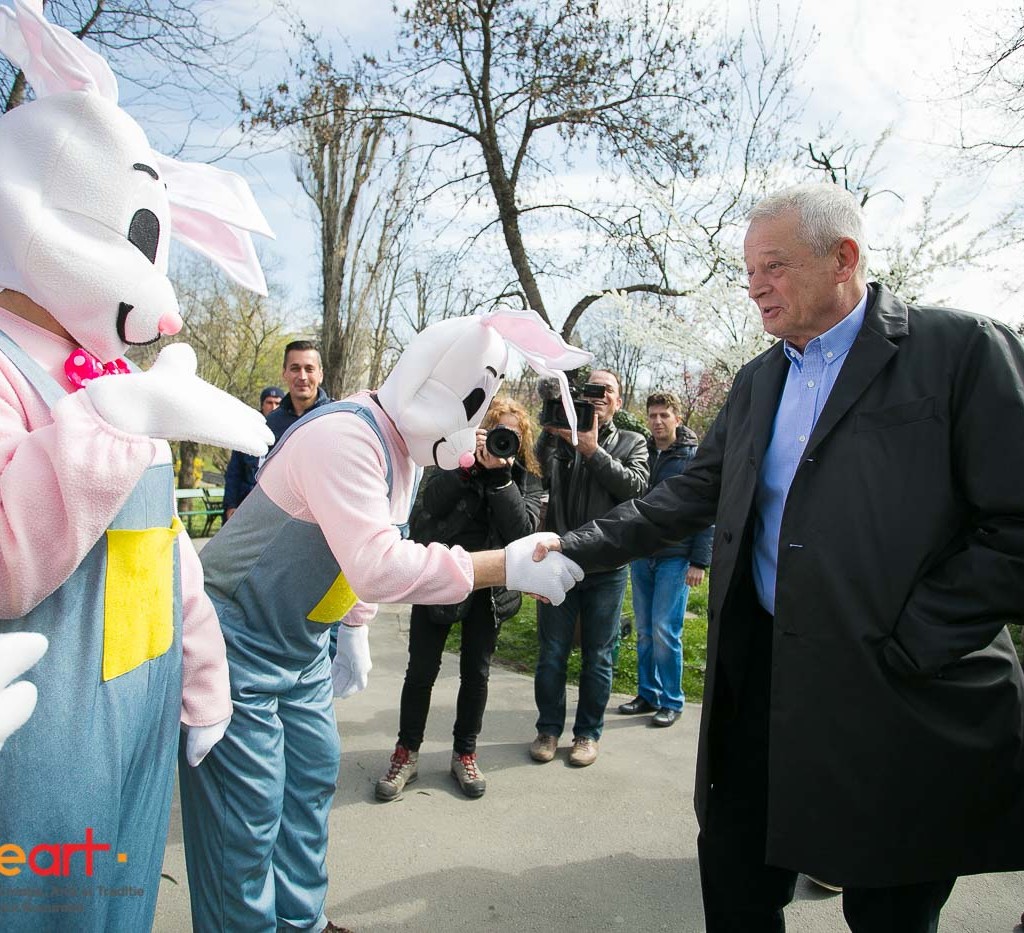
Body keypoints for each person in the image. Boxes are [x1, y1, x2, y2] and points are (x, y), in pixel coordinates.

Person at [528, 182, 1024, 933]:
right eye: (749, 271)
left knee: (890, 909)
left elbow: (1015, 524)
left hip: (898, 692)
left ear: (843, 259)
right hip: (760, 678)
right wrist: (571, 548)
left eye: (775, 266)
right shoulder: (760, 379)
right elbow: (686, 495)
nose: (755, 286)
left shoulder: (961, 352)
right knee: (736, 882)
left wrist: (915, 638)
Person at [176, 308, 588, 933]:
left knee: (311, 782)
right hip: (238, 646)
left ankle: (302, 921)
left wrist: (353, 628)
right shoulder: (346, 437)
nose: (469, 434)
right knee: (246, 813)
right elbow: (376, 564)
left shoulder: (402, 450)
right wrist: (500, 566)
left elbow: (365, 544)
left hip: (302, 646)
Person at [0, 3, 274, 928]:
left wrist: (203, 668)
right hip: (40, 739)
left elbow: (164, 548)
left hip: (140, 716)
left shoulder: (115, 376)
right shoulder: (13, 371)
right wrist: (115, 418)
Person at [376, 397, 543, 801]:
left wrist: (501, 480)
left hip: (489, 588)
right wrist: (465, 466)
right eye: (496, 430)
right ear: (479, 432)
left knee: (476, 674)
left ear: (521, 441)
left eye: (512, 434)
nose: (503, 439)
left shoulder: (525, 477)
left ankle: (465, 754)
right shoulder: (451, 459)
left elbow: (523, 534)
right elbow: (427, 508)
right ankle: (406, 753)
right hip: (438, 577)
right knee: (421, 671)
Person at [530, 368, 648, 767]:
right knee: (552, 653)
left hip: (607, 566)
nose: (598, 396)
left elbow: (635, 489)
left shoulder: (632, 441)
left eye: (606, 390)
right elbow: (536, 470)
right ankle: (548, 730)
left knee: (599, 656)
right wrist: (551, 431)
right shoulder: (563, 437)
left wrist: (593, 450)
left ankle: (587, 734)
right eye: (591, 390)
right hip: (558, 560)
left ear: (618, 400)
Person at [618, 391, 713, 727]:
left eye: (664, 415)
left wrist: (699, 561)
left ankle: (672, 699)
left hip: (676, 556)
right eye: (653, 415)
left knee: (664, 630)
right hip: (643, 555)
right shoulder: (641, 453)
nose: (657, 422)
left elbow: (706, 509)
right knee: (644, 630)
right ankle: (648, 693)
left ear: (677, 418)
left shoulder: (692, 458)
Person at [223, 385, 283, 519]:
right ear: (262, 405)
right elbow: (234, 473)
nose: (273, 407)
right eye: (269, 402)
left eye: (277, 403)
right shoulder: (248, 432)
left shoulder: (288, 431)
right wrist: (231, 504)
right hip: (247, 500)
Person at [266, 339, 331, 442]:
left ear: (321, 375)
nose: (302, 377)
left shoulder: (336, 418)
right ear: (284, 373)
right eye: (295, 369)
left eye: (309, 369)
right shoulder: (270, 424)